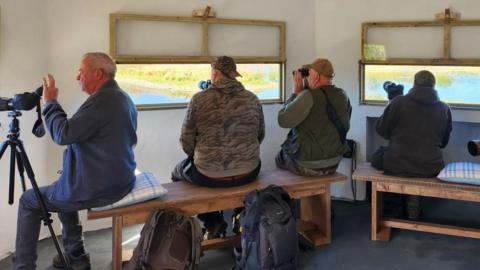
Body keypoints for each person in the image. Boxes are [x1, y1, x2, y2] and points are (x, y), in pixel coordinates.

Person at [13, 52, 137, 270]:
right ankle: (76, 255)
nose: (77, 78)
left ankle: (22, 266)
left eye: (81, 72)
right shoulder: (122, 97)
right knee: (61, 188)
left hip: (99, 188)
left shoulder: (101, 101)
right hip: (120, 180)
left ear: (97, 73)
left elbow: (63, 135)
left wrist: (50, 102)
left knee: (28, 200)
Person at [172, 56, 265, 239]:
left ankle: (212, 221)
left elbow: (186, 141)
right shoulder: (252, 99)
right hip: (249, 172)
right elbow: (259, 135)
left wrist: (199, 156)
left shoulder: (199, 100)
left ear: (215, 74)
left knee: (177, 173)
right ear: (234, 75)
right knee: (244, 171)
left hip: (208, 176)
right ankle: (240, 216)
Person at [371, 70, 452, 220]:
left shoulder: (399, 102)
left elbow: (381, 131)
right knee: (415, 163)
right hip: (431, 166)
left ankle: (396, 207)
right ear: (434, 86)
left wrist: (391, 102)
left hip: (397, 163)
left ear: (414, 83)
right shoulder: (444, 108)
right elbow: (443, 143)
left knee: (378, 157)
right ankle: (413, 205)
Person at [276, 58, 351, 176]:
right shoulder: (343, 95)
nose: (306, 77)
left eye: (309, 73)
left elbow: (283, 120)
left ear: (316, 75)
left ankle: (293, 192)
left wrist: (296, 93)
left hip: (308, 165)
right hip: (335, 161)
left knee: (280, 157)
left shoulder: (308, 96)